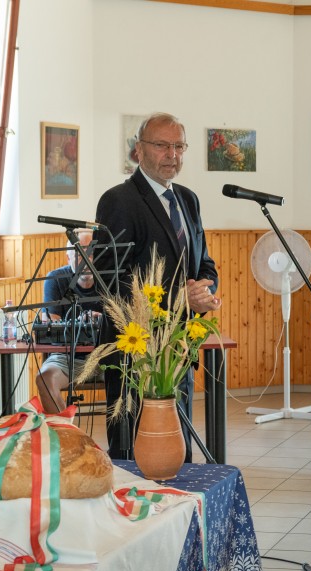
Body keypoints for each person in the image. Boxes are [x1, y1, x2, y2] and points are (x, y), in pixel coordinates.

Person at [95, 112, 221, 461]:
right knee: (137, 457)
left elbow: (204, 264)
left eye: (179, 146)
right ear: (139, 149)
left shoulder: (188, 199)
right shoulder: (119, 200)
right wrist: (180, 299)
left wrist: (204, 293)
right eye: (162, 145)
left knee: (178, 453)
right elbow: (110, 280)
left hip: (179, 348)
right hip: (136, 354)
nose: (172, 155)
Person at [36, 229, 103, 415]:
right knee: (44, 378)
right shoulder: (55, 279)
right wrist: (82, 322)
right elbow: (52, 325)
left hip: (105, 355)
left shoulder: (111, 278)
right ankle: (65, 430)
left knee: (134, 374)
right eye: (80, 254)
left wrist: (101, 319)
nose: (87, 259)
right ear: (68, 258)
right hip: (67, 357)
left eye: (91, 252)